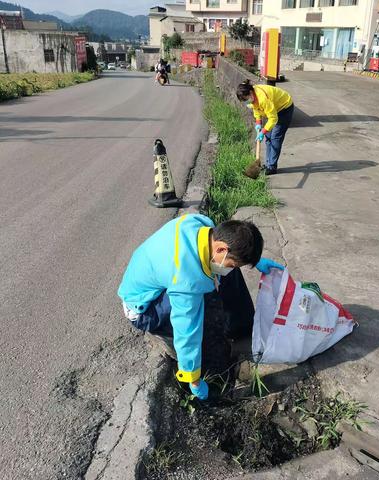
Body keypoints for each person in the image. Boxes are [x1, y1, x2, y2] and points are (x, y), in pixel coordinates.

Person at [118, 213, 283, 401]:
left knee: (226, 275)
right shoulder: (186, 279)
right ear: (221, 248)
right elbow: (187, 329)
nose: (233, 267)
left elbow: (227, 257)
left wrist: (254, 260)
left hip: (160, 278)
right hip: (145, 308)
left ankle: (242, 331)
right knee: (202, 314)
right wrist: (193, 379)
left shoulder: (201, 227)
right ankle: (213, 372)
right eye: (235, 263)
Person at [236, 80, 294, 176]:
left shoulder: (263, 99)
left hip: (284, 108)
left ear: (250, 93)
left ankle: (272, 167)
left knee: (275, 138)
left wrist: (262, 131)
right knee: (268, 138)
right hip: (273, 109)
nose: (246, 102)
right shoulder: (253, 96)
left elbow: (273, 118)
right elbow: (256, 109)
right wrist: (258, 122)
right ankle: (267, 164)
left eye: (246, 99)